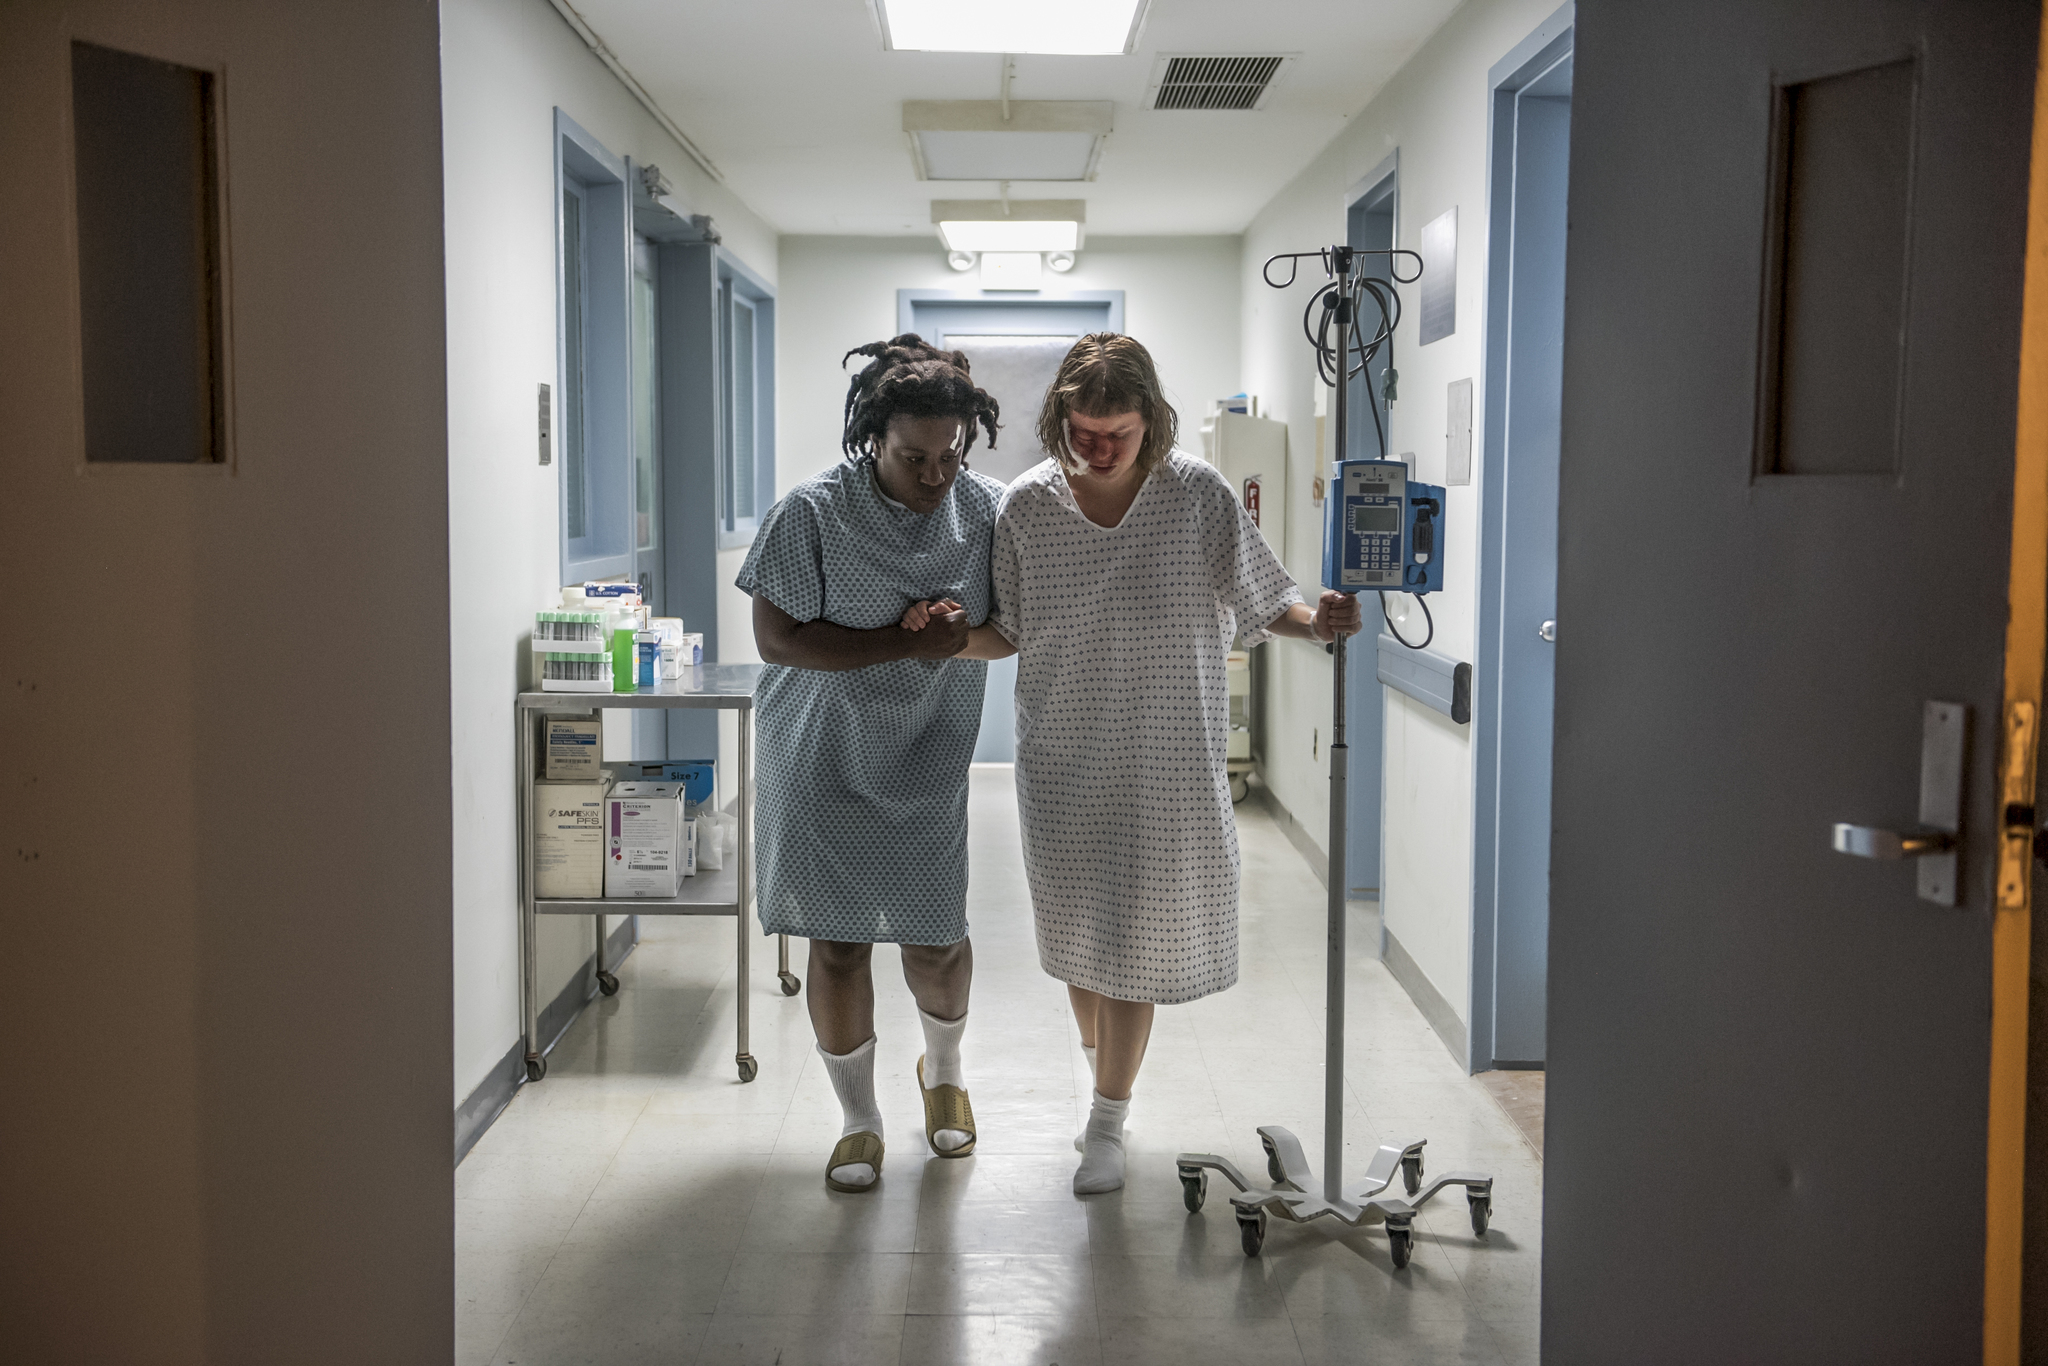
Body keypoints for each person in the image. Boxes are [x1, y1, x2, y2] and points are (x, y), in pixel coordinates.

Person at [906, 333, 1364, 1194]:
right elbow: (1007, 630)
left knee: (1134, 952)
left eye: (1119, 431)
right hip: (1064, 759)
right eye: (1084, 431)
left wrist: (1321, 622)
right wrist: (946, 641)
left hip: (1169, 764)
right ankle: (1105, 1072)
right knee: (1083, 948)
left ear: (1152, 420)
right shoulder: (1030, 508)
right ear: (1059, 420)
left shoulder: (1196, 494)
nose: (1101, 449)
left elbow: (1270, 599)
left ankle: (1106, 1122)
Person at [736, 334, 1012, 1193]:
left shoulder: (991, 511)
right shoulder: (812, 513)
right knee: (841, 942)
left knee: (935, 938)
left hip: (927, 753)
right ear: (872, 441)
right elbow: (778, 639)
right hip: (821, 750)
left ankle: (946, 1075)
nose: (936, 476)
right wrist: (901, 639)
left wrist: (953, 640)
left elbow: (1009, 634)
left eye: (950, 455)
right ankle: (857, 1118)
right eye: (913, 457)